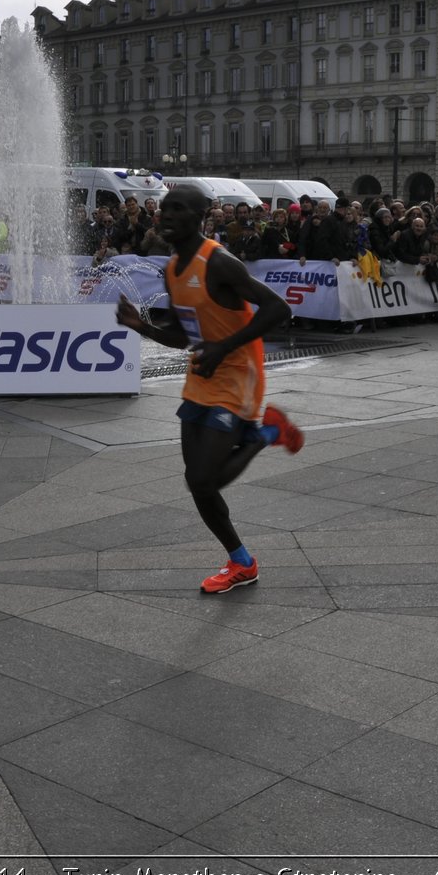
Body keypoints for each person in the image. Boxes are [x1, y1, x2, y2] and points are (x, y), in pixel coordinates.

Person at [113, 184, 304, 595]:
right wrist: (140, 326)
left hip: (238, 373)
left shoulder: (219, 263)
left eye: (178, 209)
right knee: (196, 481)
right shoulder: (170, 269)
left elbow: (278, 309)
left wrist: (223, 346)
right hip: (201, 372)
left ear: (200, 217)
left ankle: (263, 434)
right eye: (165, 207)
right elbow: (184, 336)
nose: (167, 214)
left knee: (204, 479)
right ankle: (241, 562)